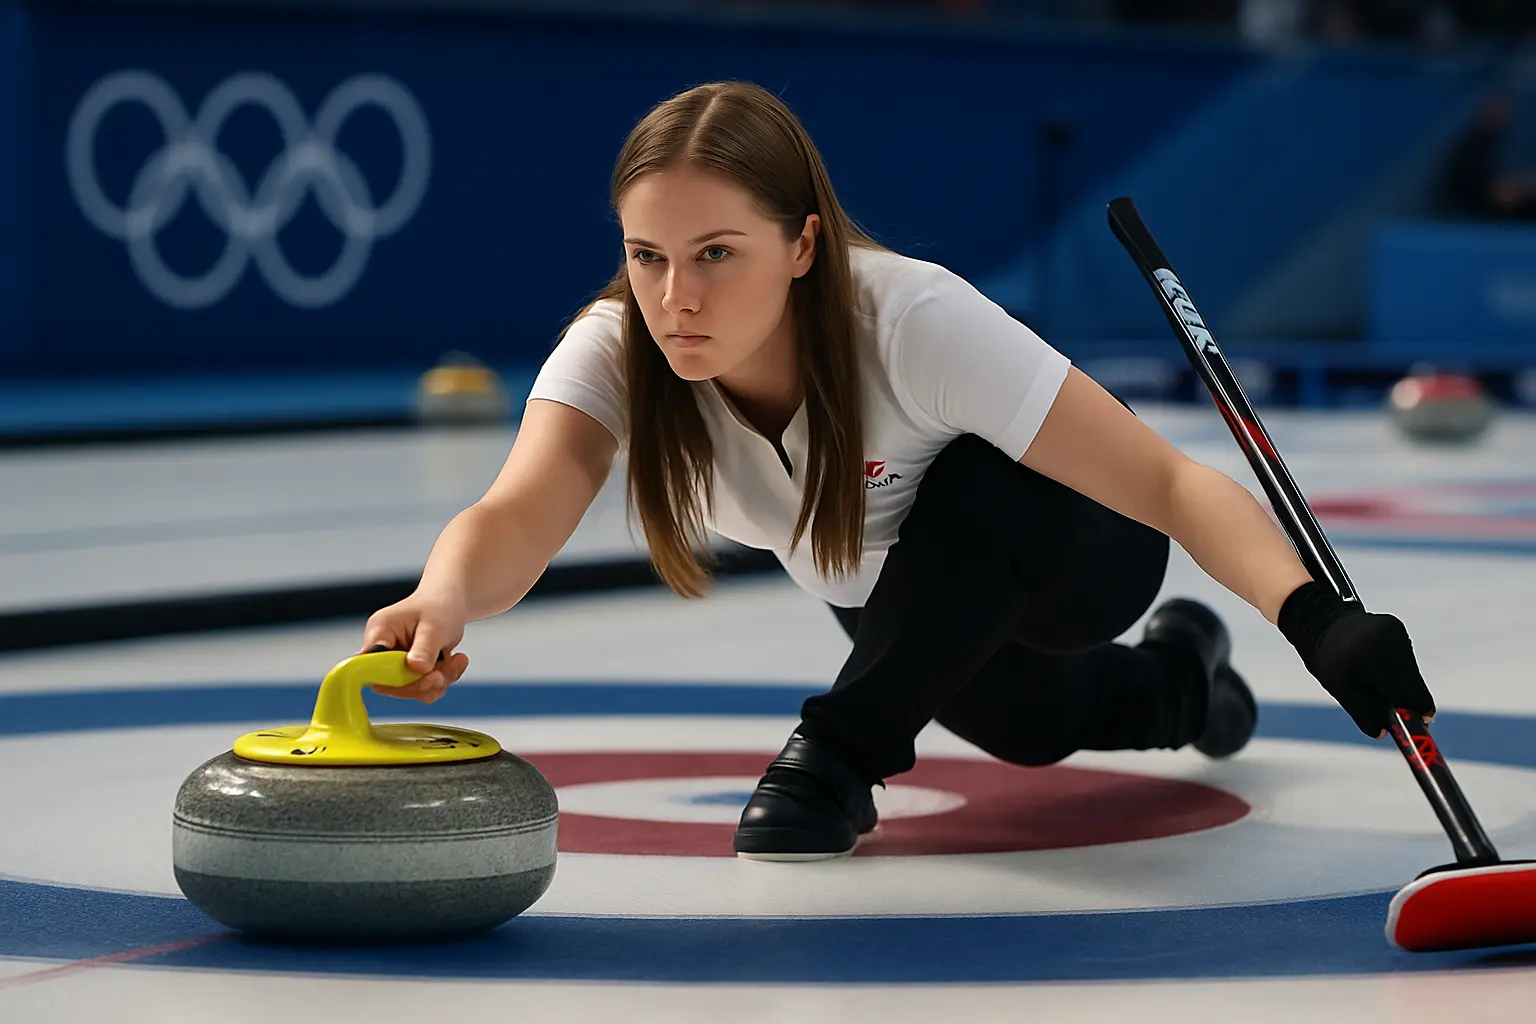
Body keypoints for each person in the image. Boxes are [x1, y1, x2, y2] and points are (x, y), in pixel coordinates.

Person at [359, 81, 1436, 861]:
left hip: (1077, 548)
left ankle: (835, 756)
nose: (674, 296)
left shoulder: (911, 321)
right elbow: (515, 511)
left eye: (715, 253)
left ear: (803, 245)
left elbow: (1167, 482)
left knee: (973, 486)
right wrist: (443, 596)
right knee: (1033, 728)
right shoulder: (617, 349)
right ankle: (1180, 680)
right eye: (649, 257)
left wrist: (1317, 620)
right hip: (890, 589)